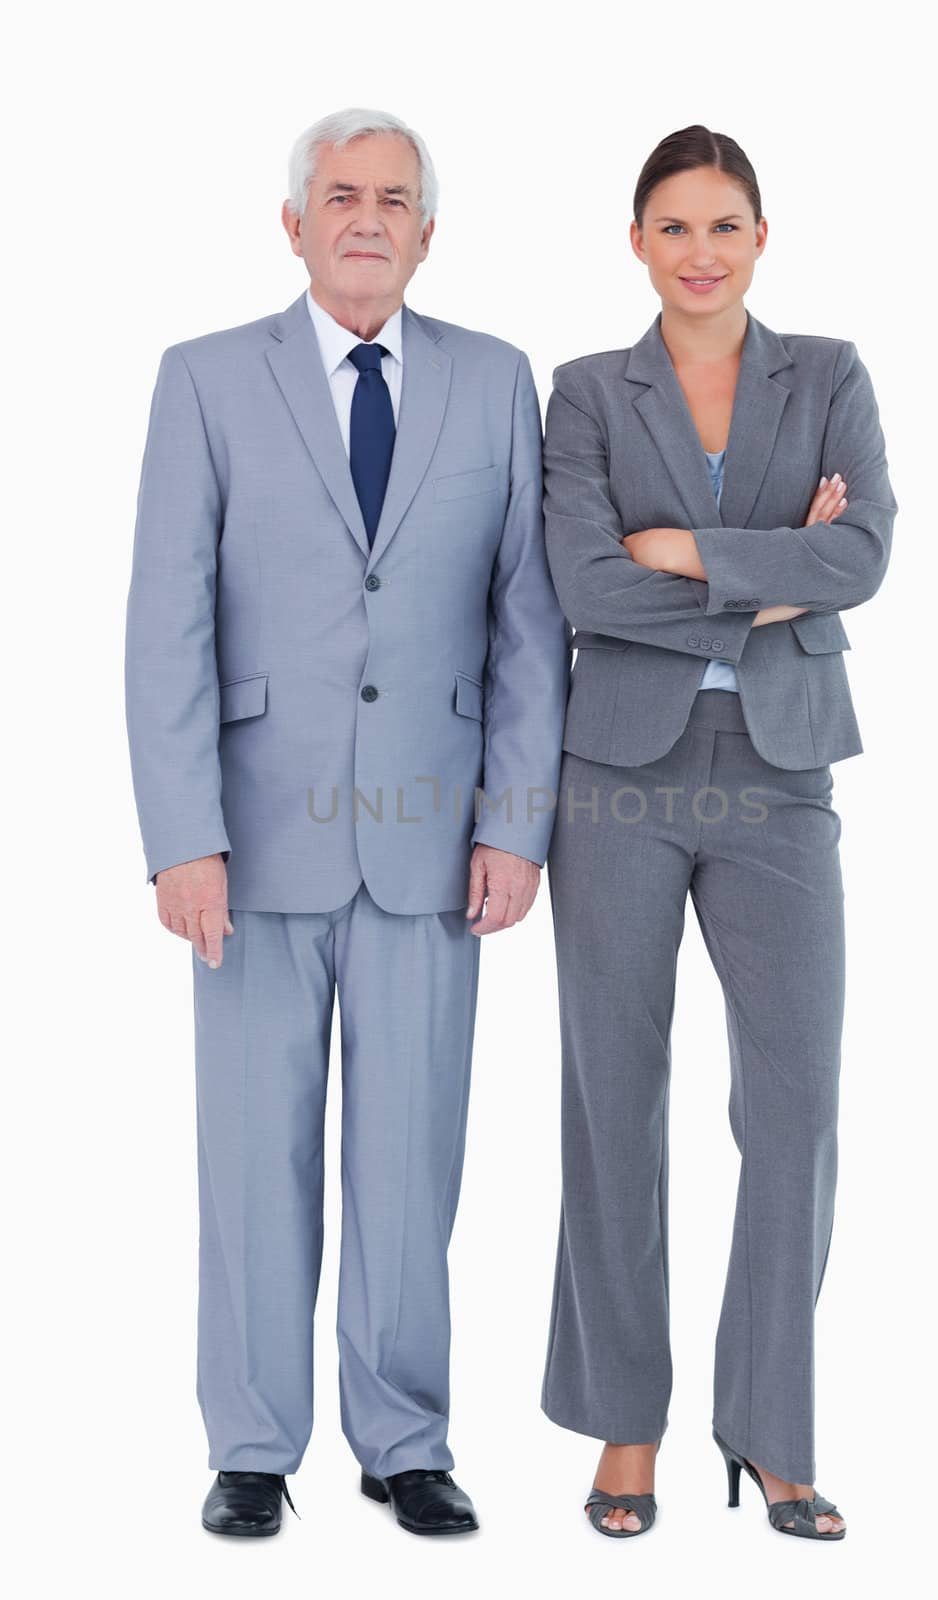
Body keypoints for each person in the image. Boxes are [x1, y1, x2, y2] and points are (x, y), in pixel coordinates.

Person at [124, 106, 569, 1538]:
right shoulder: (203, 382)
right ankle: (252, 1445)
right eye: (340, 194)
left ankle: (405, 1439)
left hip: (436, 841)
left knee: (410, 1153)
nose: (366, 216)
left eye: (393, 198)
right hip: (253, 841)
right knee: (256, 1151)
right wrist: (180, 833)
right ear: (294, 222)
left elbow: (527, 621)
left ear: (427, 232)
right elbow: (165, 623)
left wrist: (517, 821)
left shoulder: (498, 384)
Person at [540, 124, 897, 1540]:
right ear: (638, 242)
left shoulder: (834, 377)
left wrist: (681, 551)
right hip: (616, 774)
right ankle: (627, 1428)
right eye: (674, 228)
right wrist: (773, 574)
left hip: (781, 770)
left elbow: (864, 557)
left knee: (795, 1106)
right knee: (611, 1097)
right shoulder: (584, 394)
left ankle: (773, 1429)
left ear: (762, 240)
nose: (700, 253)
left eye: (725, 227)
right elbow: (579, 584)